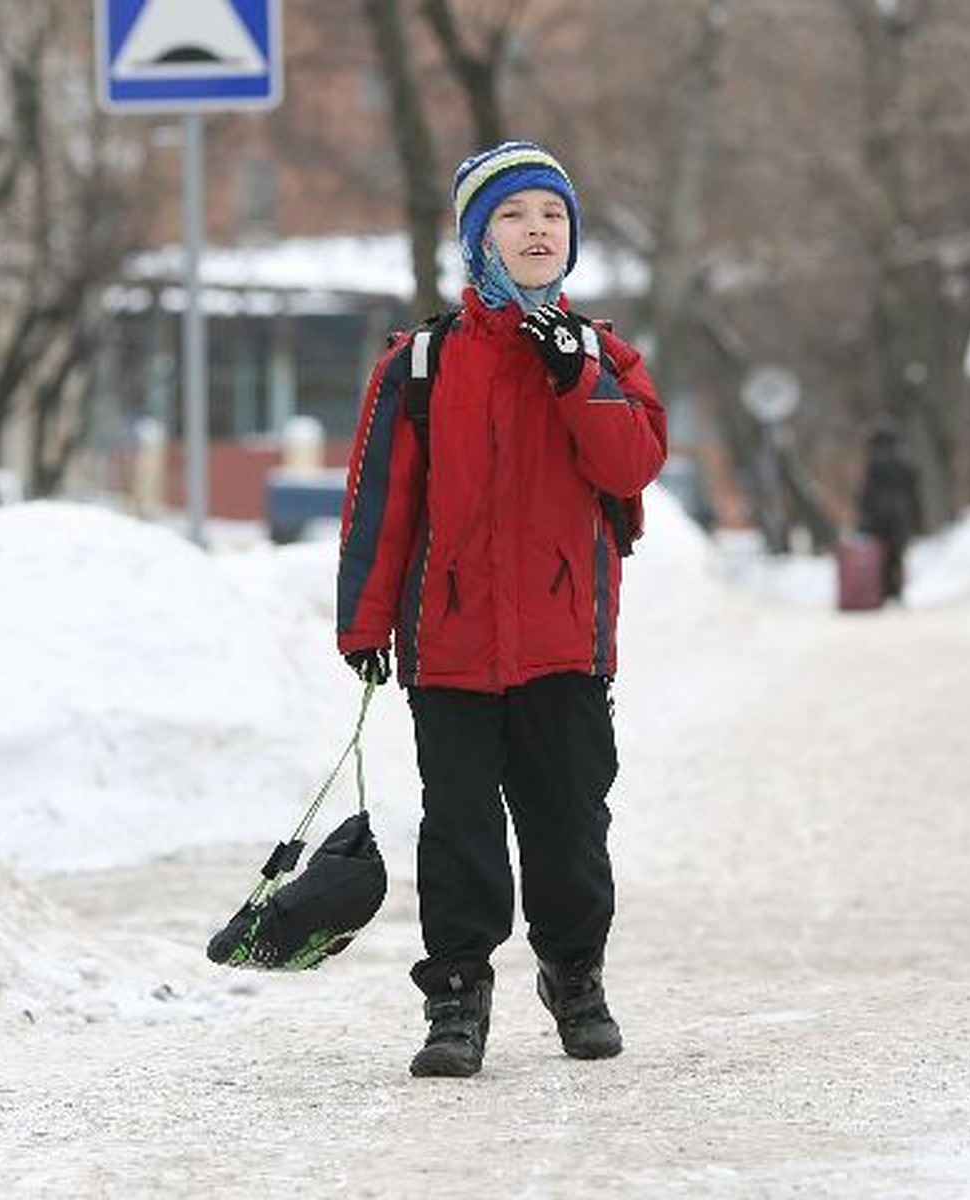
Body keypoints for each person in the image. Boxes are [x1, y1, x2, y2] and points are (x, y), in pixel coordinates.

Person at [335, 140, 667, 1078]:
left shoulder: (604, 355)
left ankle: (574, 974)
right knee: (461, 827)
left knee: (568, 824)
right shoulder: (424, 363)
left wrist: (577, 378)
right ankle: (456, 997)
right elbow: (378, 508)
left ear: (573, 238)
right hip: (450, 641)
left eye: (553, 216)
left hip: (565, 640)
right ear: (479, 238)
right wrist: (363, 624)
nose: (536, 231)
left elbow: (631, 467)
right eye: (514, 216)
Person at [855, 419, 923, 600]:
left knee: (881, 556)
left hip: (878, 516)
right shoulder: (904, 462)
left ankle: (882, 590)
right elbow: (913, 491)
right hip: (900, 515)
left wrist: (863, 515)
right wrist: (917, 518)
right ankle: (897, 590)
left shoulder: (874, 462)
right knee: (897, 555)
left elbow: (868, 492)